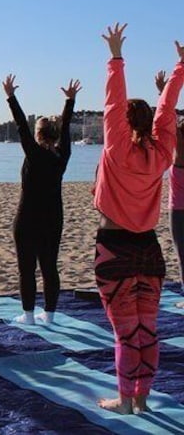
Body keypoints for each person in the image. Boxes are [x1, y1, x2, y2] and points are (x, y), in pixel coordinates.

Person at [93, 22, 184, 414]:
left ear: (125, 127)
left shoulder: (117, 150)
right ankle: (142, 400)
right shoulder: (161, 154)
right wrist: (180, 70)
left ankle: (126, 401)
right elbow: (166, 114)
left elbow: (114, 105)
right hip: (149, 249)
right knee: (147, 331)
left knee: (124, 333)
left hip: (115, 249)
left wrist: (116, 58)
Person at [2, 74, 81, 325]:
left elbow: (21, 127)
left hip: (27, 218)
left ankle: (28, 316)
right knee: (49, 267)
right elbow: (66, 128)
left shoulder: (34, 153)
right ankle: (49, 315)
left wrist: (11, 97)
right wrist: (70, 102)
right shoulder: (61, 156)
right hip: (53, 219)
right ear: (55, 136)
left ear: (38, 135)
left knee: (27, 268)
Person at [155, 70, 184, 304]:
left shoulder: (178, 160)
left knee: (182, 255)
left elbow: (168, 121)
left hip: (178, 213)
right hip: (178, 211)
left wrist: (162, 91)